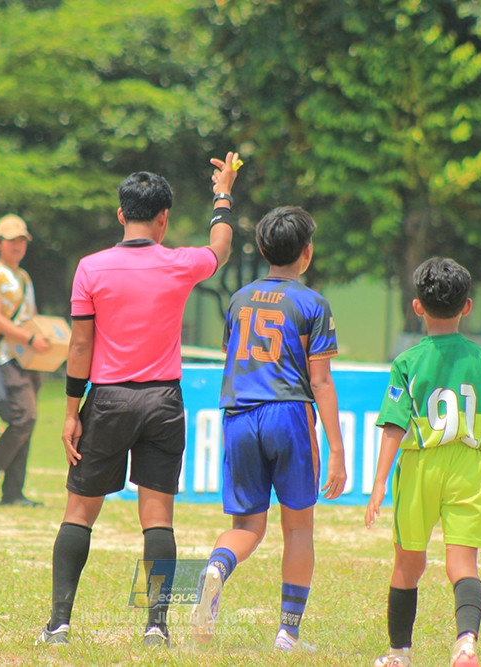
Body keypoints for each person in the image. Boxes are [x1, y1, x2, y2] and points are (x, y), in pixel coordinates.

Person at [38, 152, 240, 648]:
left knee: (79, 513)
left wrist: (71, 411)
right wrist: (223, 193)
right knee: (158, 518)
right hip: (163, 402)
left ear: (120, 213)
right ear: (164, 218)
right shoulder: (179, 262)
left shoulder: (91, 268)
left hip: (106, 402)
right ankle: (156, 626)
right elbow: (221, 246)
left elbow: (81, 346)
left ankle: (59, 624)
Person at [190, 206, 347, 652]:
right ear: (307, 252)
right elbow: (319, 380)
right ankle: (288, 634)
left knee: (247, 525)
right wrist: (334, 449)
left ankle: (217, 567)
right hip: (288, 413)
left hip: (239, 414)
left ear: (261, 250)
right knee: (297, 529)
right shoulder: (313, 304)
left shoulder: (239, 299)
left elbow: (233, 356)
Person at [365, 257, 481, 667]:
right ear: (467, 307)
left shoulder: (407, 362)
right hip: (468, 464)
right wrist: (471, 445)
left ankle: (399, 654)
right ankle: (465, 643)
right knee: (463, 564)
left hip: (420, 466)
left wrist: (379, 483)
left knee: (407, 564)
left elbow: (393, 427)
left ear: (417, 306)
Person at [0, 214, 51, 507]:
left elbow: (30, 316)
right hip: (3, 357)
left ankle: (14, 492)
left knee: (26, 422)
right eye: (12, 240)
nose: (18, 245)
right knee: (23, 418)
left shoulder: (24, 277)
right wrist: (29, 339)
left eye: (22, 240)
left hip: (28, 359)